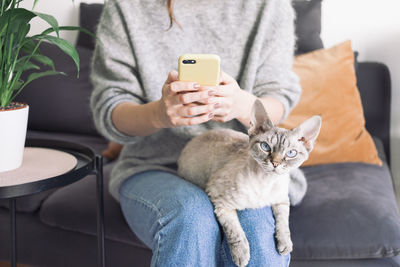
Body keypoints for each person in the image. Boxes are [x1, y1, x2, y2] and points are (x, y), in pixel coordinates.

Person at [90, 0, 301, 266]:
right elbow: (110, 108)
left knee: (259, 231)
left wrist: (242, 105)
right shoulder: (126, 8)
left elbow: (279, 96)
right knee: (189, 219)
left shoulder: (269, 7)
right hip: (155, 164)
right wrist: (158, 115)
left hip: (247, 163)